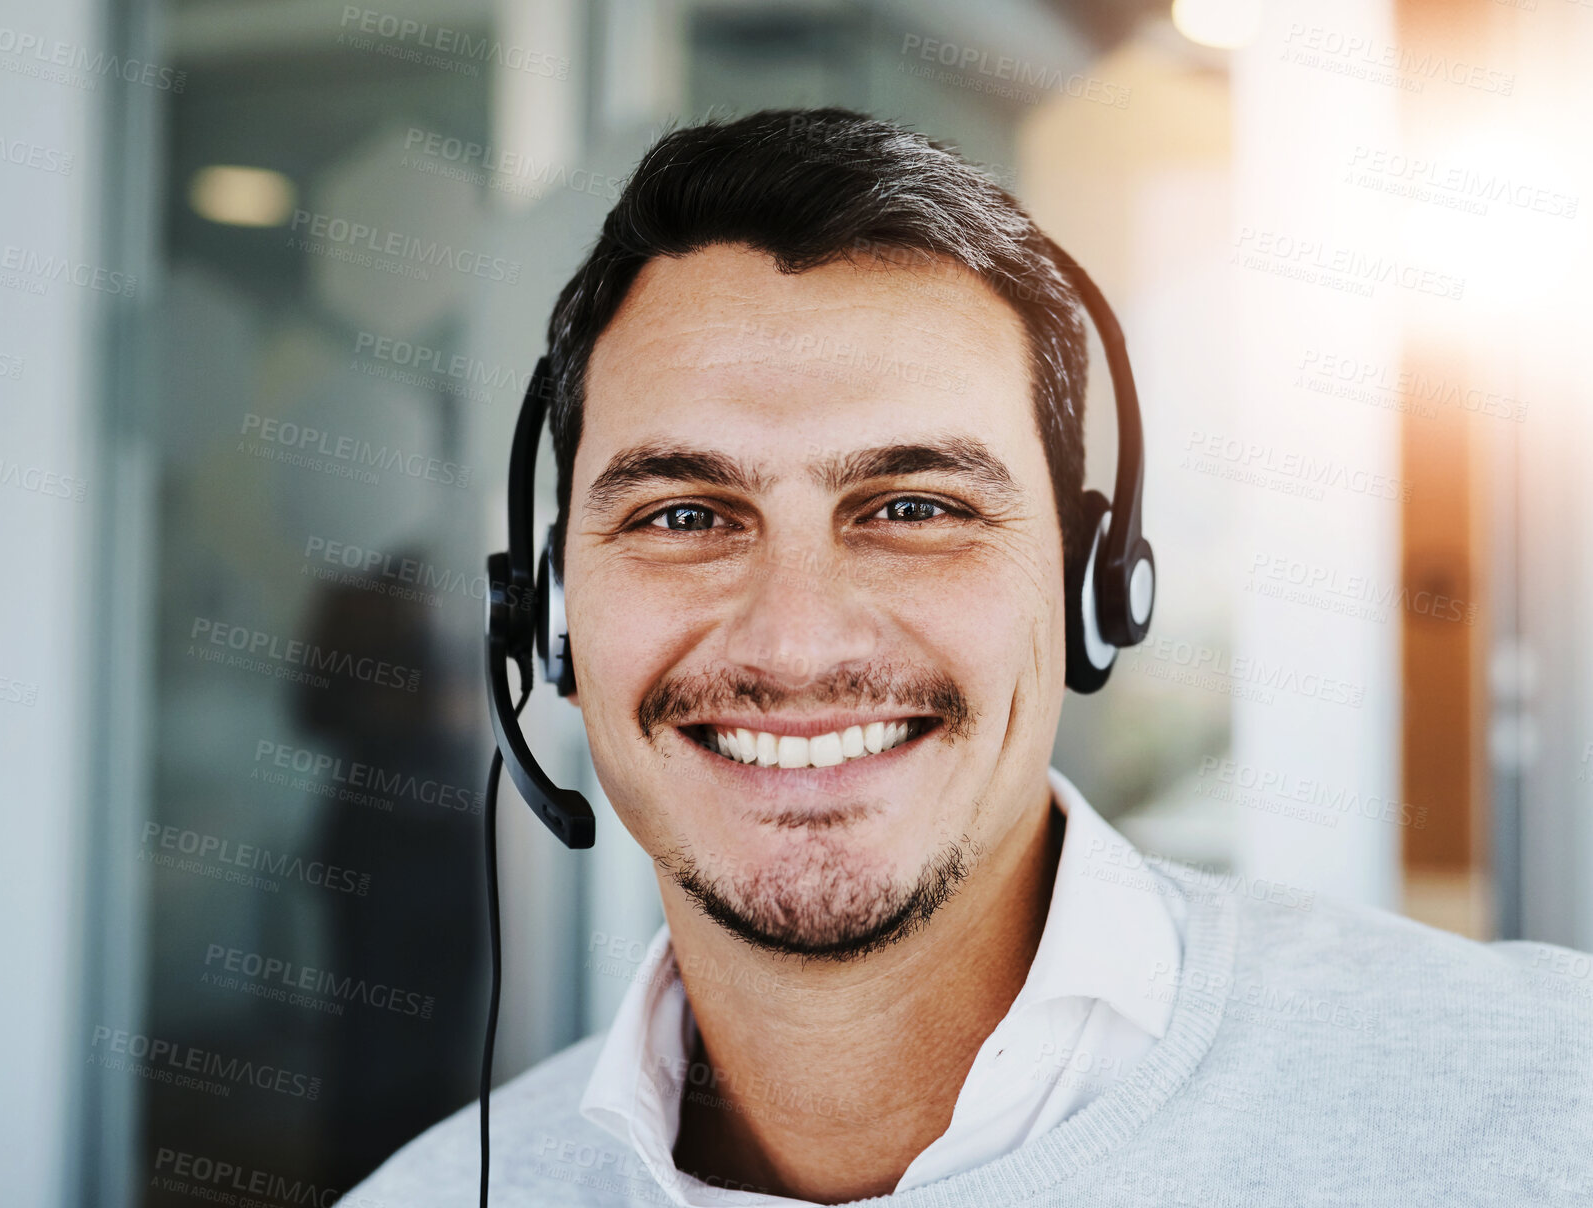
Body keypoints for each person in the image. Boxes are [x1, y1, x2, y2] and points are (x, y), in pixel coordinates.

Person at [350, 109, 1593, 1206]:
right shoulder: (442, 1192)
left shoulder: (1544, 1105)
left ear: (1089, 581)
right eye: (684, 516)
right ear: (552, 614)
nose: (797, 638)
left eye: (914, 506)